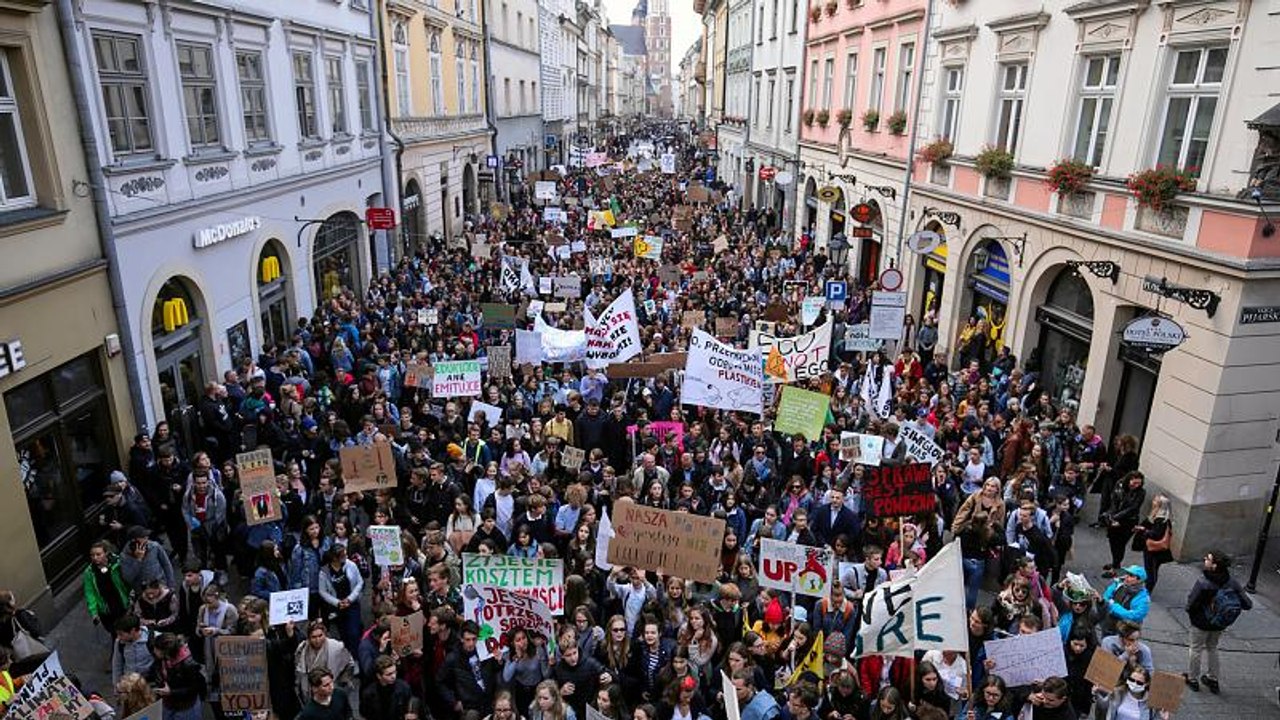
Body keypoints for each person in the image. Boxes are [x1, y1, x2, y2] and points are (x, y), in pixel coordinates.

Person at [1184, 549, 1252, 693]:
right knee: (1213, 648)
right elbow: (1247, 604)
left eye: (1208, 559)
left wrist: (1192, 612)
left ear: (1214, 566)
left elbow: (1191, 603)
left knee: (1195, 649)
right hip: (1219, 623)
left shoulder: (1203, 582)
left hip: (1201, 622)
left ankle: (1192, 678)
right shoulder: (1231, 582)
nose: (1205, 560)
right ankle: (1213, 678)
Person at [150, 632, 207, 720]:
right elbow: (155, 670)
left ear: (165, 652)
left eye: (156, 649)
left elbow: (194, 688)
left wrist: (171, 692)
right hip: (169, 705)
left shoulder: (188, 664)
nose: (154, 650)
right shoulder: (163, 658)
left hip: (186, 707)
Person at [1097, 666, 1169, 720]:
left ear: (1146, 684)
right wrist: (1097, 693)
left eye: (1139, 682)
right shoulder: (1118, 693)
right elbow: (1103, 708)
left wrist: (1163, 718)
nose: (1134, 684)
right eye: (1131, 680)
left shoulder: (1151, 703)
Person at [1133, 495, 1172, 592]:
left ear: (1160, 505)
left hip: (1154, 549)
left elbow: (1155, 534)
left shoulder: (1160, 519)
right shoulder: (1159, 516)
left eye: (1156, 501)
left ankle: (1147, 590)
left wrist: (1144, 530)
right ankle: (1147, 588)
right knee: (1152, 569)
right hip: (1155, 549)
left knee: (1150, 571)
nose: (1153, 501)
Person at [1098, 566, 1150, 636]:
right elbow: (1106, 596)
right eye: (1127, 574)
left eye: (1131, 575)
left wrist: (1113, 606)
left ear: (1139, 580)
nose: (1126, 577)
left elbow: (1134, 616)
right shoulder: (1119, 584)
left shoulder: (1143, 599)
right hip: (1109, 624)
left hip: (1126, 632)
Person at [360, 655, 413, 720]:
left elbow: (409, 710)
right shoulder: (368, 694)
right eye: (389, 674)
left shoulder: (404, 688)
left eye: (395, 672)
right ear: (379, 676)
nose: (394, 676)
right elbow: (365, 713)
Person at [111, 614, 155, 688]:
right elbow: (117, 664)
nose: (119, 637)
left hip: (148, 684)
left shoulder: (152, 639)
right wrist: (117, 685)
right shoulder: (120, 643)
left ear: (132, 631)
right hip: (129, 685)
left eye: (121, 634)